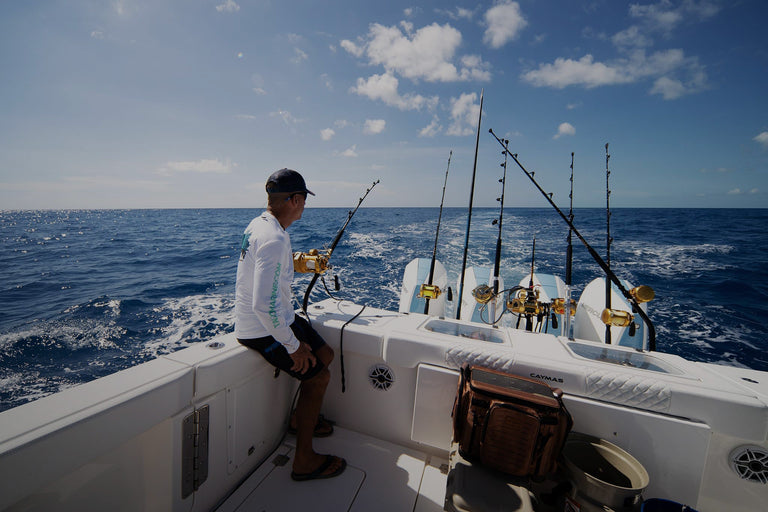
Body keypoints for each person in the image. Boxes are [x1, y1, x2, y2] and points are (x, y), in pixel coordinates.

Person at [235, 168, 346, 481]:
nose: (304, 206)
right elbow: (262, 305)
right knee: (319, 378)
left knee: (324, 354)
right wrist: (293, 346)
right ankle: (304, 461)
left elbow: (272, 270)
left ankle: (299, 420)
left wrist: (303, 262)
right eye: (303, 200)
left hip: (278, 316)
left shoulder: (263, 226)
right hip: (261, 329)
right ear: (294, 200)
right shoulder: (272, 238)